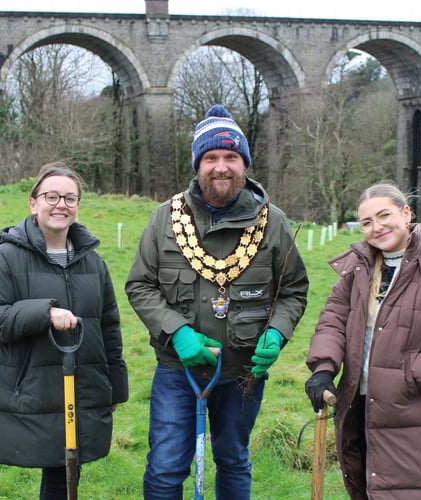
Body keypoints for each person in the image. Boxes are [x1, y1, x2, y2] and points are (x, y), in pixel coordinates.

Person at [125, 104, 309, 499]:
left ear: (244, 163)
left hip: (243, 373)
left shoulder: (272, 222)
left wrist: (277, 333)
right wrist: (176, 333)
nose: (221, 167)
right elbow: (140, 285)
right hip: (179, 370)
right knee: (164, 468)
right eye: (211, 157)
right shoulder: (165, 219)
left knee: (234, 460)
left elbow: (292, 290)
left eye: (230, 157)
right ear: (198, 164)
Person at [304, 181, 421, 499]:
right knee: (366, 488)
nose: (377, 227)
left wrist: (409, 378)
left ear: (406, 213)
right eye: (367, 222)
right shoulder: (357, 270)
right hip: (357, 406)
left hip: (414, 411)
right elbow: (332, 322)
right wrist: (323, 368)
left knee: (413, 491)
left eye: (384, 215)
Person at [0, 162, 129, 500]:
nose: (62, 205)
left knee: (67, 472)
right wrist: (45, 312)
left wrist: (115, 386)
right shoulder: (4, 259)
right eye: (52, 196)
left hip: (83, 384)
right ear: (33, 203)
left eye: (70, 198)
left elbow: (108, 326)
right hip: (34, 385)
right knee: (59, 472)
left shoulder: (93, 262)